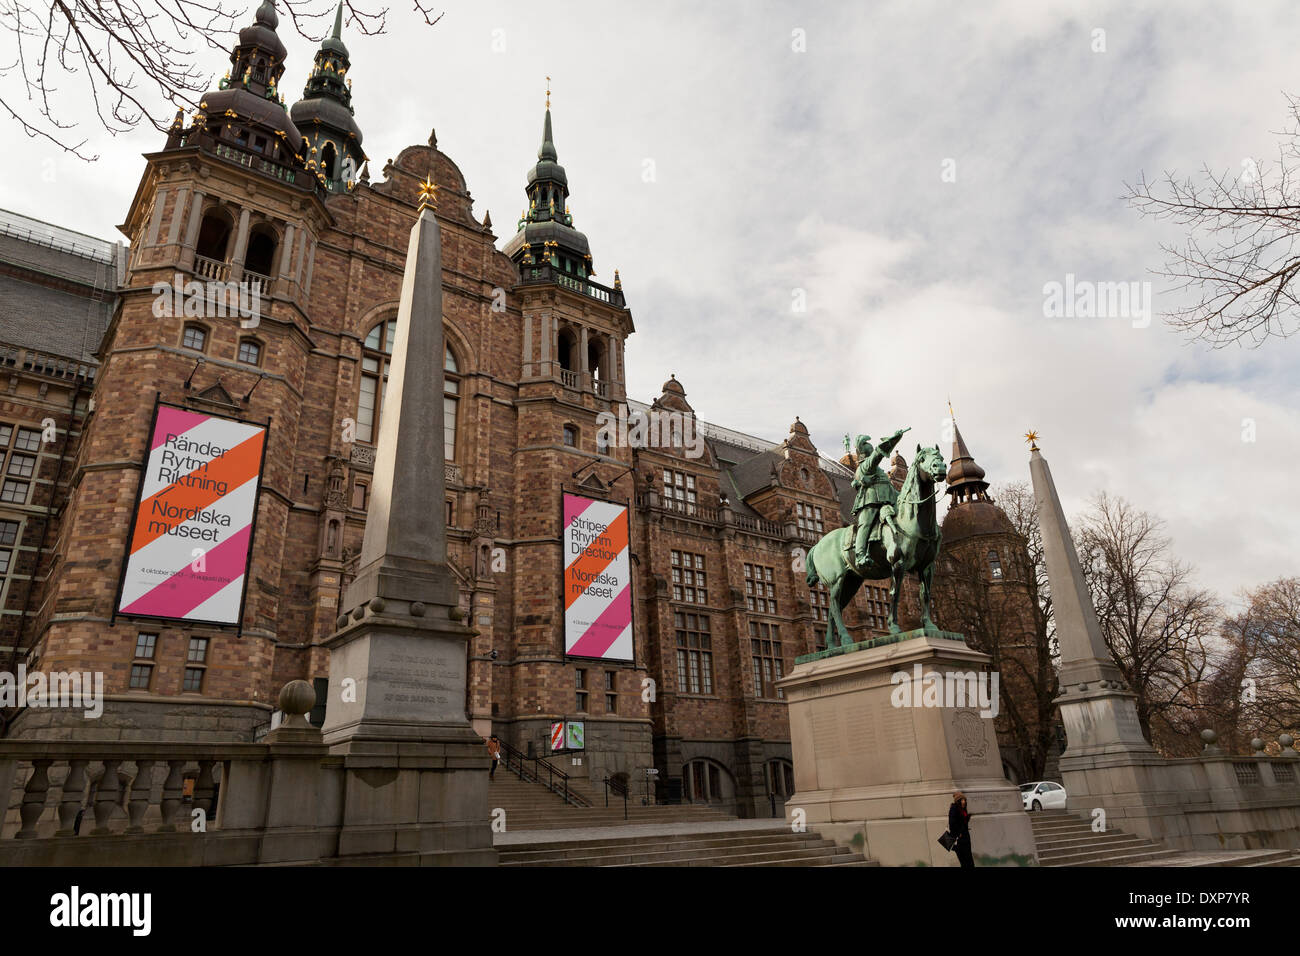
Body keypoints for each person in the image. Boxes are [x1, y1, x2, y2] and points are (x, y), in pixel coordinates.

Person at [849, 427, 909, 567]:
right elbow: (878, 453)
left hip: (888, 498)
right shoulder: (866, 466)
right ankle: (860, 555)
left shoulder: (877, 470)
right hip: (871, 501)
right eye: (870, 450)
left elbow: (888, 487)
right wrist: (894, 439)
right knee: (866, 523)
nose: (873, 452)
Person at [949, 790, 974, 867]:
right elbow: (952, 823)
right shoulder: (954, 809)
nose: (964, 802)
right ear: (958, 801)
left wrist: (966, 818)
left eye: (965, 800)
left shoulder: (963, 809)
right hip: (960, 840)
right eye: (962, 800)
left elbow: (961, 822)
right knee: (965, 862)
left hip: (965, 838)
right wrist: (958, 833)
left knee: (969, 861)